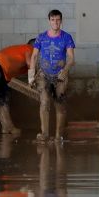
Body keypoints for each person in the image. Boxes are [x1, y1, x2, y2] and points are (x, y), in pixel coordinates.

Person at [28, 9, 75, 142]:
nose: (55, 22)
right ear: (49, 21)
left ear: (61, 21)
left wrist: (65, 71)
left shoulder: (67, 37)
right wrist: (31, 76)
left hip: (60, 76)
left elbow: (71, 58)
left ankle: (58, 135)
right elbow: (34, 56)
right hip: (43, 75)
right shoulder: (41, 37)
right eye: (53, 20)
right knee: (44, 103)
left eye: (58, 20)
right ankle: (44, 134)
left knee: (59, 104)